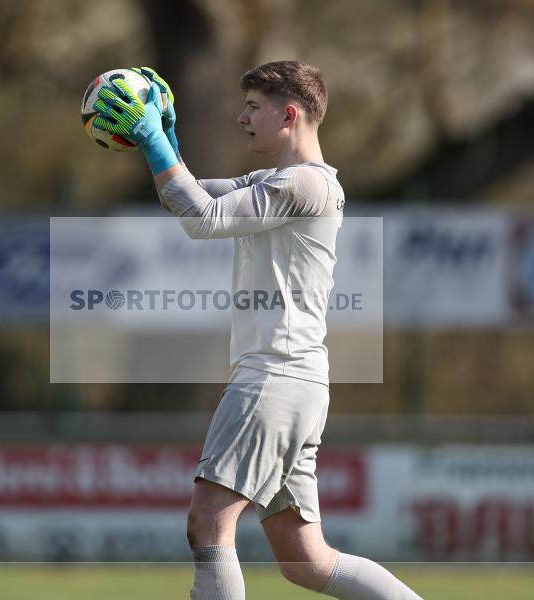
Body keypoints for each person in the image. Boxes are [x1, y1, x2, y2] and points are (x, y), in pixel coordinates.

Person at [92, 60, 422, 600]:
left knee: (209, 524)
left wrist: (152, 138)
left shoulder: (304, 185)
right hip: (293, 380)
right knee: (307, 561)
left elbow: (202, 220)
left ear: (288, 114)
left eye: (252, 108)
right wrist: (165, 142)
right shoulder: (281, 181)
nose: (240, 118)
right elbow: (194, 196)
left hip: (274, 377)